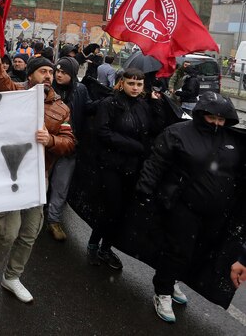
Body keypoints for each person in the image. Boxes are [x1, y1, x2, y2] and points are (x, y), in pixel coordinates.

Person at [0, 13, 75, 303]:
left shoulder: (62, 109)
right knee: (8, 233)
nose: (48, 75)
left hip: (37, 180)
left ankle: (12, 276)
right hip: (9, 175)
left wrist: (53, 140)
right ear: (30, 75)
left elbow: (70, 144)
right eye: (42, 71)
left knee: (30, 232)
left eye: (51, 72)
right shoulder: (15, 94)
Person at [135, 92, 242, 323]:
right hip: (183, 206)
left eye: (221, 118)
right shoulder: (178, 132)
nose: (216, 122)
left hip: (215, 213)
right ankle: (162, 291)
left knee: (196, 253)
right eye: (211, 117)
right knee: (177, 251)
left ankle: (172, 281)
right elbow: (156, 163)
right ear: (201, 113)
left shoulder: (231, 140)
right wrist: (145, 192)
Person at [87, 68, 164, 270]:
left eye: (139, 84)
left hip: (132, 167)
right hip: (111, 165)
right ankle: (94, 245)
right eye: (131, 83)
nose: (136, 88)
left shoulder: (143, 104)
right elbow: (102, 132)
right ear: (122, 83)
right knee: (110, 208)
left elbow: (155, 129)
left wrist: (156, 104)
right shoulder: (109, 104)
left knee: (121, 211)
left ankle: (107, 248)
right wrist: (133, 146)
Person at [47, 57, 93, 241]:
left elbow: (88, 108)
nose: (58, 74)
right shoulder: (47, 89)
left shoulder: (81, 90)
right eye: (57, 71)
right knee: (41, 182)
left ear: (72, 75)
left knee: (61, 185)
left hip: (69, 147)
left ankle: (54, 220)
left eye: (64, 72)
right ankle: (33, 215)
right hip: (48, 145)